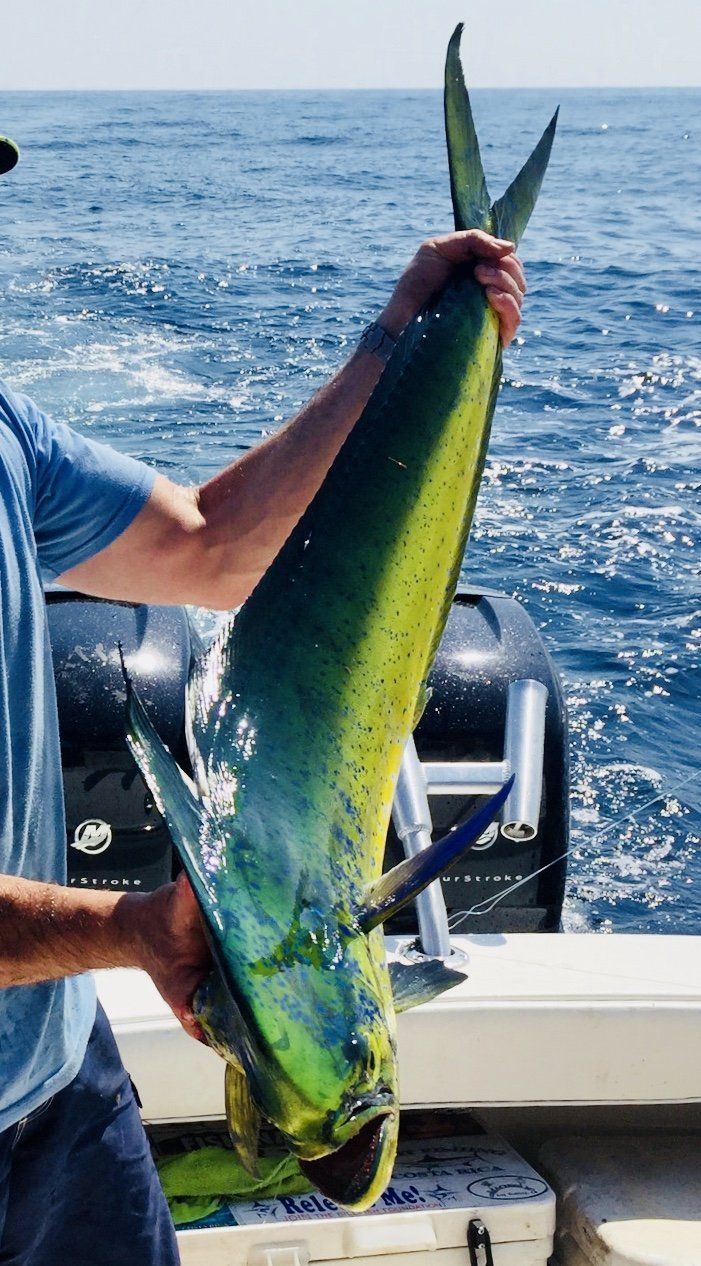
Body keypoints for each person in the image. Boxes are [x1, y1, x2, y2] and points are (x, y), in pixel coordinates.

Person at [0, 195, 526, 1264]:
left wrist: (404, 337)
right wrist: (125, 931)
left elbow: (212, 546)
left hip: (59, 1083)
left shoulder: (7, 436)